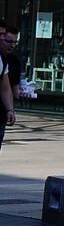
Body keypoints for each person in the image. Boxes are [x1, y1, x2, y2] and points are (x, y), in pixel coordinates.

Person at [0, 22, 18, 152]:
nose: (1, 37)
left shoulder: (2, 59)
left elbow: (5, 88)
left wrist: (10, 110)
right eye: (0, 34)